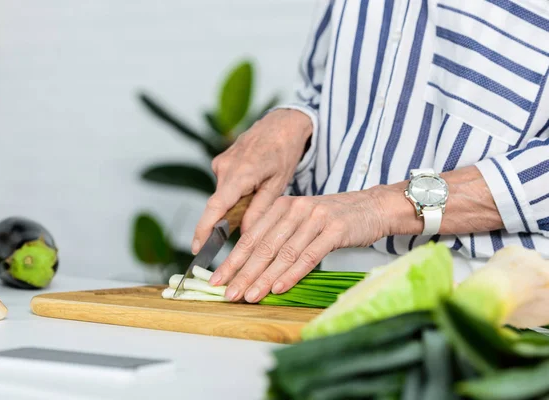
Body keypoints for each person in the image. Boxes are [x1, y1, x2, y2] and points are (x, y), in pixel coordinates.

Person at [191, 0, 549, 304]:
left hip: (496, 298)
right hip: (332, 284)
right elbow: (325, 88)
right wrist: (295, 122)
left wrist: (382, 207)